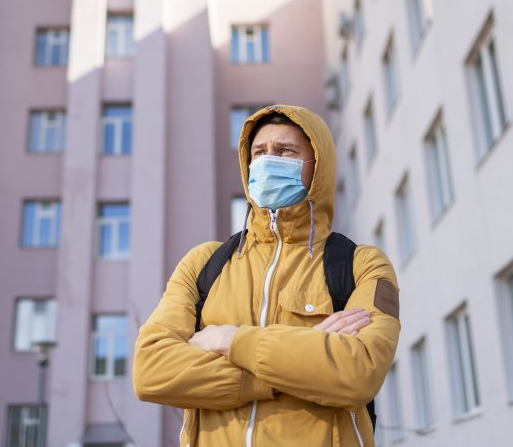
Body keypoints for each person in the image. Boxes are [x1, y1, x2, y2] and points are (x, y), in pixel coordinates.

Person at [133, 105, 400, 447]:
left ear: (317, 167)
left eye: (285, 151)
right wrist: (295, 364)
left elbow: (358, 372)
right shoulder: (203, 263)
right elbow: (150, 372)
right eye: (259, 153)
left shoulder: (361, 265)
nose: (267, 161)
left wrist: (230, 340)